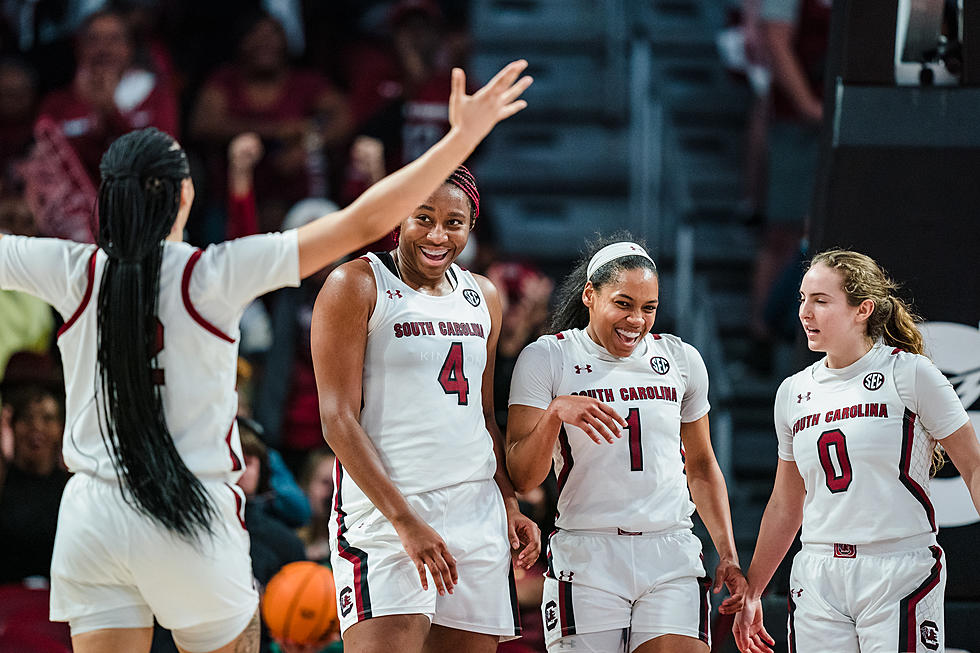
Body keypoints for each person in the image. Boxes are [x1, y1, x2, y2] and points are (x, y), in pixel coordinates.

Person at [0, 59, 532, 653]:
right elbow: (364, 220)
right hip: (191, 509)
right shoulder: (211, 274)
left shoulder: (72, 270)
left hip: (91, 514)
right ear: (185, 194)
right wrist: (461, 139)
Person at [311, 164, 541, 653]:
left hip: (474, 512)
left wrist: (507, 502)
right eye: (423, 218)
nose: (438, 235)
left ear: (471, 227)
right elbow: (336, 420)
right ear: (399, 217)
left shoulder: (485, 297)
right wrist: (405, 521)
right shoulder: (355, 284)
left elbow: (483, 417)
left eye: (453, 223)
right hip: (387, 512)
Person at [506, 236, 747, 653]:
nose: (636, 319)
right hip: (587, 553)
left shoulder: (681, 359)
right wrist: (554, 414)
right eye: (623, 303)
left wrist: (727, 551)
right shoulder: (547, 357)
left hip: (670, 550)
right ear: (590, 295)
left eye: (648, 308)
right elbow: (523, 475)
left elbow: (703, 465)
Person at [733, 249, 980, 653]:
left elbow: (973, 467)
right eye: (802, 299)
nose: (805, 312)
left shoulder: (910, 373)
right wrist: (755, 590)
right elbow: (785, 501)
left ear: (862, 309)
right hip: (818, 571)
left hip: (899, 566)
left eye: (821, 301)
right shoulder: (793, 392)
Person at [0, 382, 69, 584]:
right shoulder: (3, 483)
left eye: (47, 419)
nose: (36, 427)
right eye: (27, 418)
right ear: (13, 426)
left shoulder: (71, 489)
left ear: (60, 429)